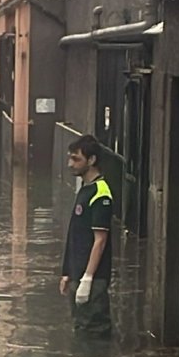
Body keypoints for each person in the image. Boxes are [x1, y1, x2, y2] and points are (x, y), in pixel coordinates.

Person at [59, 135, 114, 336]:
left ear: (91, 160)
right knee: (80, 328)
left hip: (93, 279)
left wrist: (88, 279)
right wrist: (68, 272)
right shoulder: (85, 189)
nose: (70, 164)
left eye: (76, 159)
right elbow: (76, 235)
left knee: (93, 331)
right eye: (70, 158)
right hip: (77, 273)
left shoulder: (101, 193)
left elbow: (100, 241)